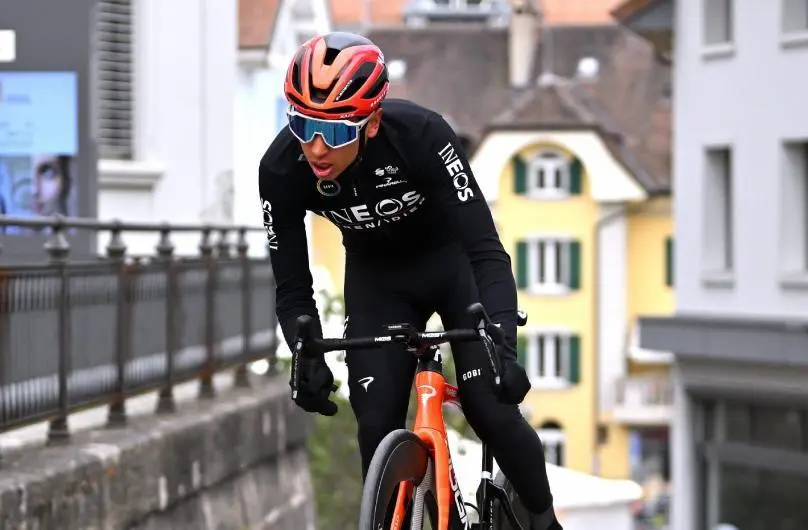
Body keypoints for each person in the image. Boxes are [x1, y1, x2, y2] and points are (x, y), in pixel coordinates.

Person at [258, 32, 562, 530]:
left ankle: (548, 524)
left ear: (372, 121)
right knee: (376, 427)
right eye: (302, 125)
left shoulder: (423, 137)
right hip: (380, 280)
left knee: (490, 411)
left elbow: (486, 251)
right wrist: (305, 351)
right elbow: (291, 285)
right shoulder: (281, 171)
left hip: (454, 266)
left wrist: (503, 344)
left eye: (334, 133)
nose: (315, 147)